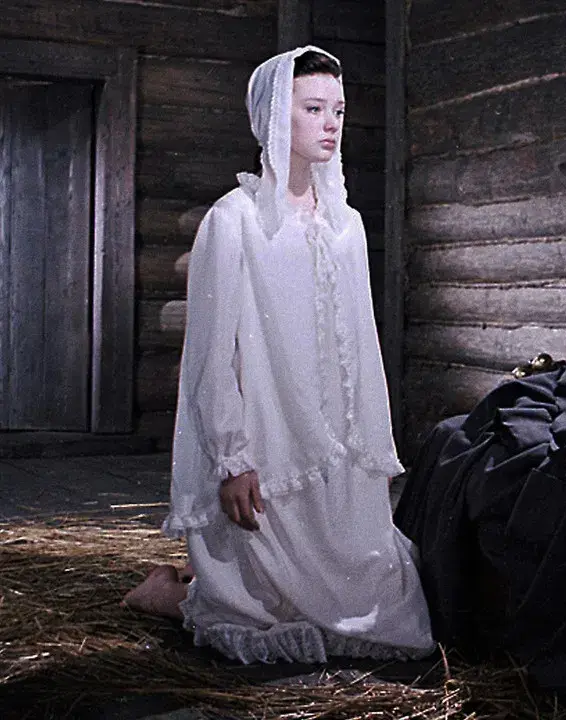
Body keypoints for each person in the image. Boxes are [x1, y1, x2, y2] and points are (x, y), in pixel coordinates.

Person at [122, 46, 435, 664]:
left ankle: (184, 584)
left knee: (390, 613)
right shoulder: (234, 220)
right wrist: (232, 459)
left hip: (339, 445)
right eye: (313, 108)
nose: (331, 123)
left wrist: (369, 446)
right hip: (269, 444)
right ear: (272, 115)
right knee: (265, 610)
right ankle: (169, 592)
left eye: (338, 110)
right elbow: (212, 353)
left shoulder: (347, 225)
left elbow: (360, 345)